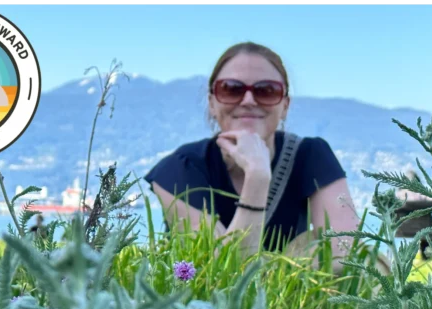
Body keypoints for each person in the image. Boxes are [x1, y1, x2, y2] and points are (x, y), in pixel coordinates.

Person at [144, 42, 384, 274]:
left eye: (266, 91)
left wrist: (272, 273)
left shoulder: (311, 155)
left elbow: (348, 250)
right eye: (231, 89)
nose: (248, 101)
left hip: (299, 304)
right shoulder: (180, 168)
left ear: (285, 106)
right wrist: (257, 178)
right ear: (212, 103)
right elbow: (220, 273)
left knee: (372, 263)